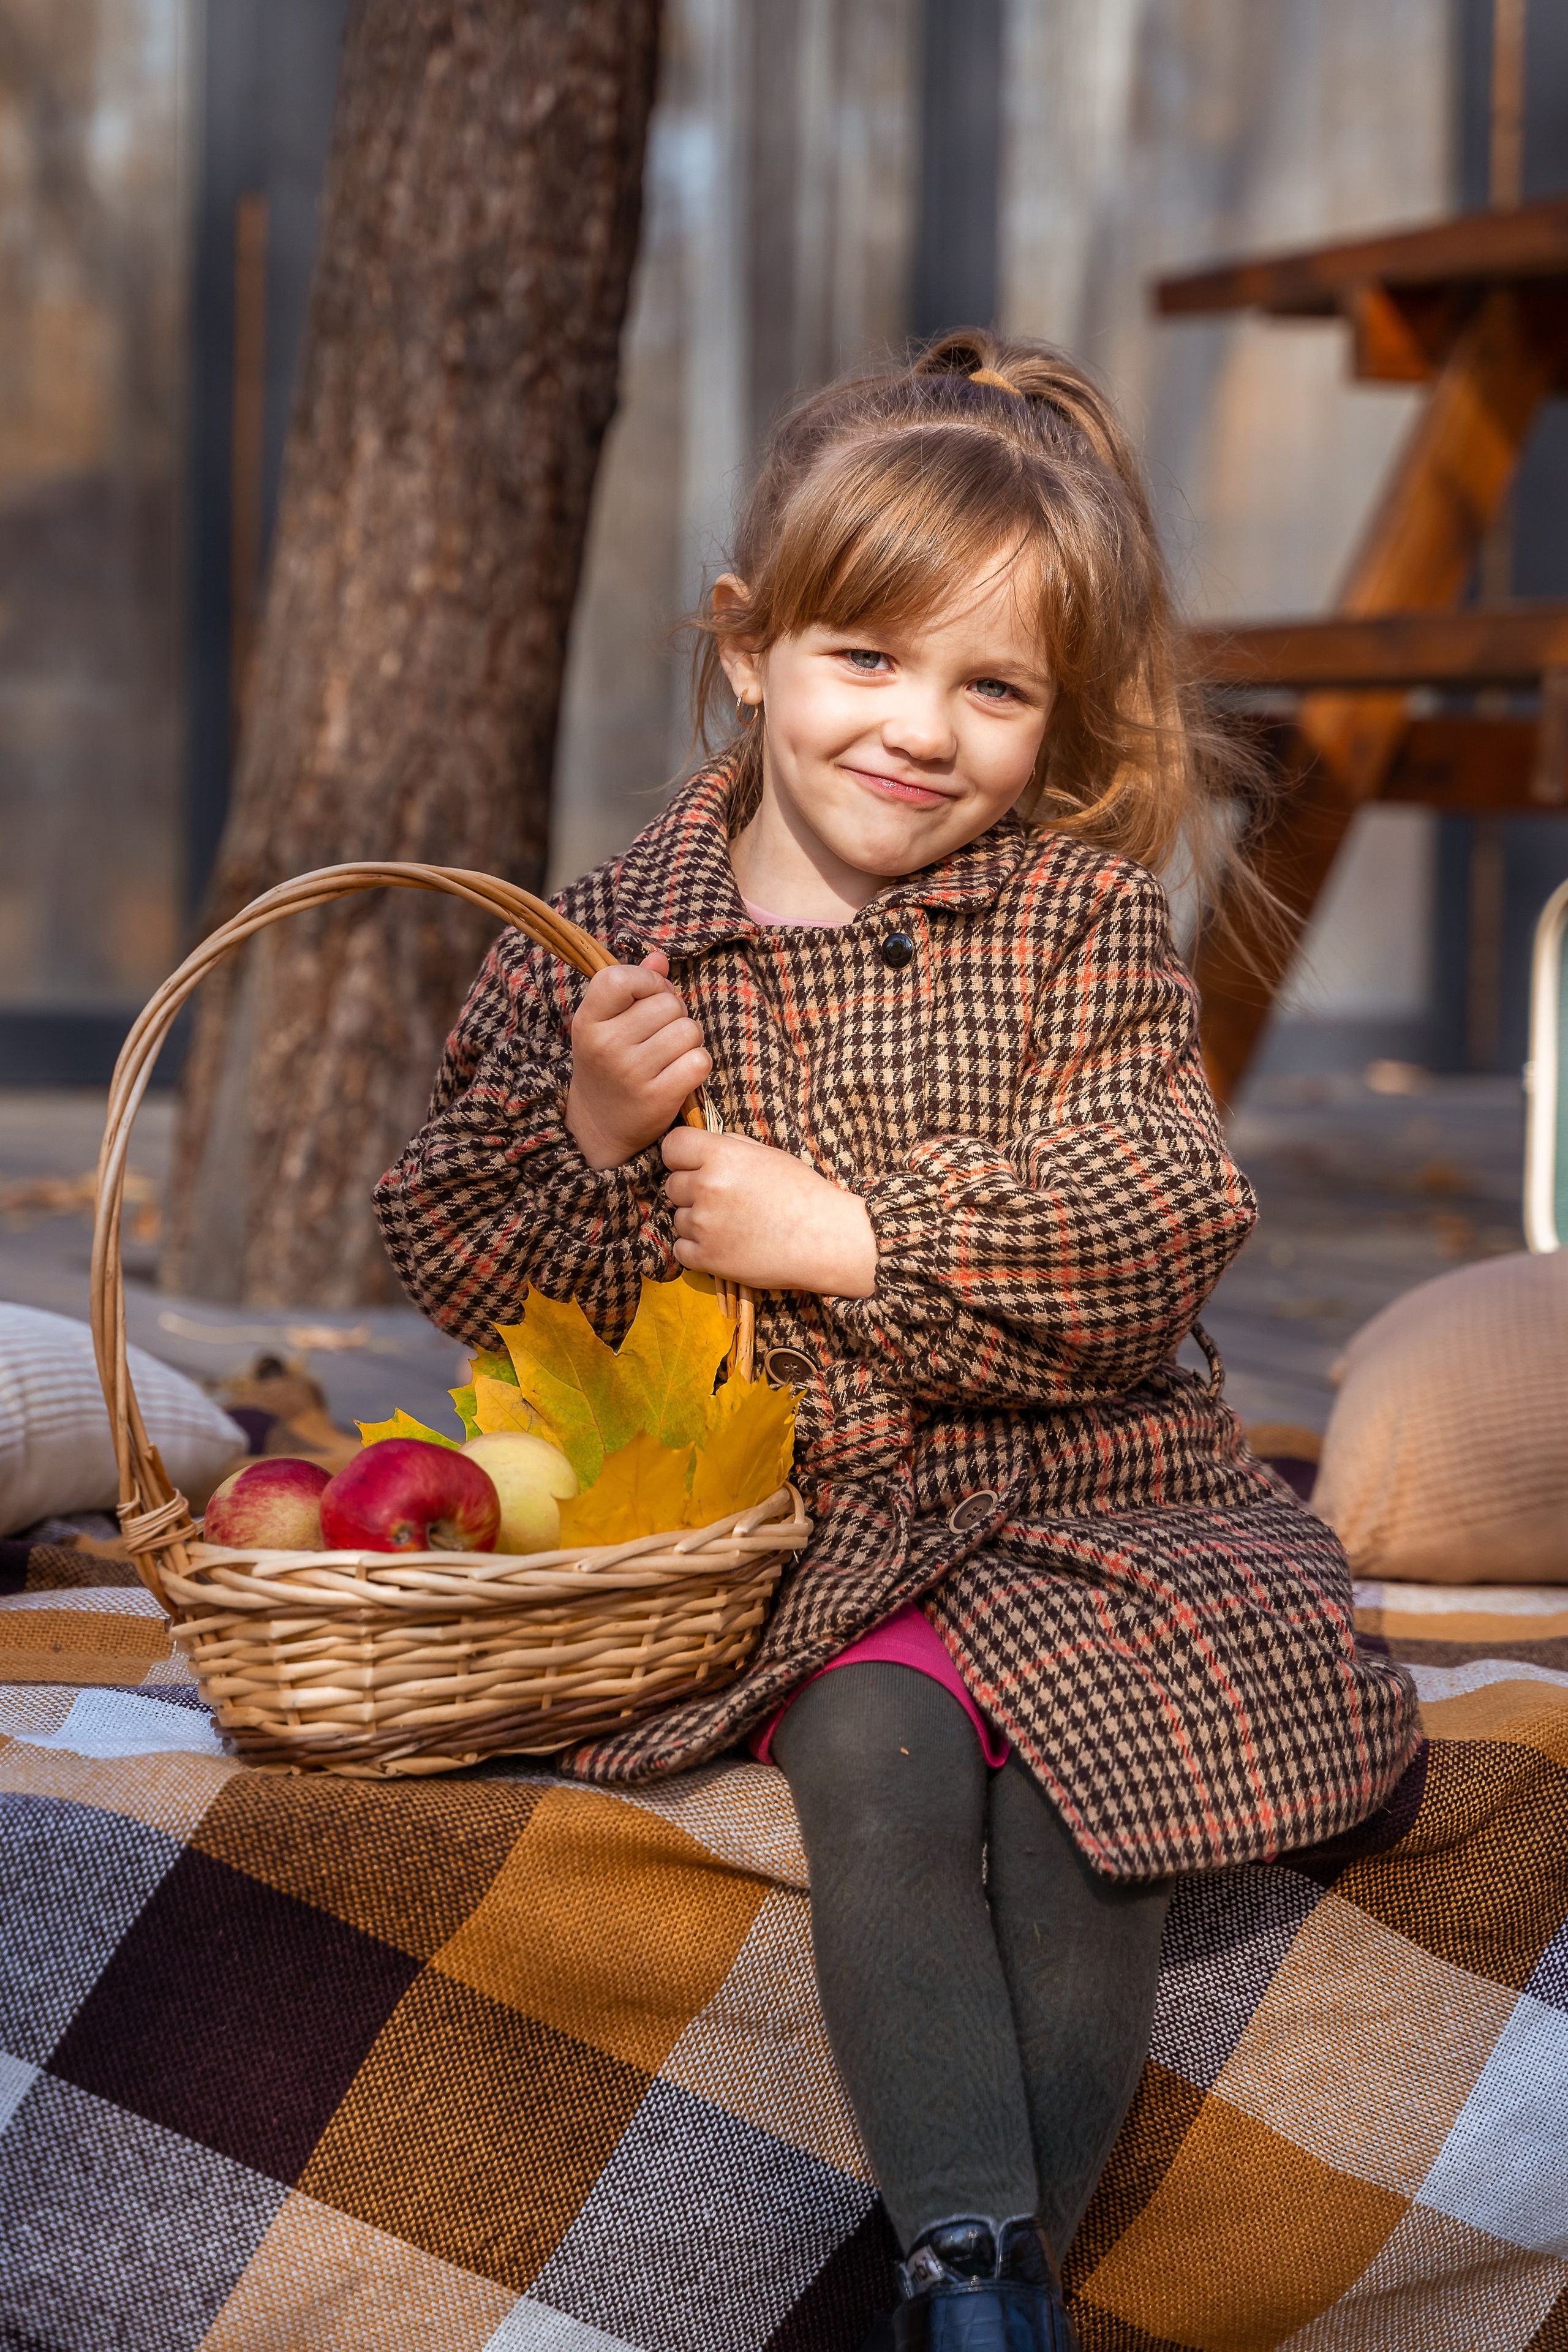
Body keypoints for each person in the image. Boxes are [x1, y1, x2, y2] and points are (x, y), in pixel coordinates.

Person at [375, 333, 1419, 2351]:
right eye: (870, 660)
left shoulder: (1083, 929)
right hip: (813, 1523)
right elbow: (468, 1276)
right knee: (880, 1755)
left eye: (993, 688)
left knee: (1086, 1793)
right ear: (752, 648)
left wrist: (848, 1233)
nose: (921, 731)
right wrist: (591, 1140)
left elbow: (1162, 1216)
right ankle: (975, 2260)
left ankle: (984, 2291)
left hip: (1097, 1498)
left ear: (1055, 719)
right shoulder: (604, 943)